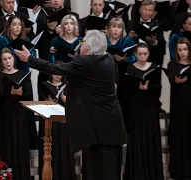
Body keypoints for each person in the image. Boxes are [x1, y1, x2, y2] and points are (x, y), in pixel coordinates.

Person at [15, 29, 128, 180]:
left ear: (87, 47)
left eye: (82, 43)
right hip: (112, 126)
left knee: (97, 171)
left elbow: (55, 68)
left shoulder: (85, 62)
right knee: (111, 171)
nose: (80, 46)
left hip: (97, 128)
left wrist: (29, 59)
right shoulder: (108, 59)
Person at [122, 43, 164, 180]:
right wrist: (137, 87)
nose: (142, 56)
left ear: (149, 54)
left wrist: (149, 87)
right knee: (136, 140)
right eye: (140, 54)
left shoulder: (154, 68)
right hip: (136, 111)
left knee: (150, 139)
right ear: (135, 54)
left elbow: (158, 88)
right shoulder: (130, 68)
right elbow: (126, 92)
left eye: (145, 54)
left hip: (150, 109)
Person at [0, 48, 32, 180]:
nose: (8, 61)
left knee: (21, 146)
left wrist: (21, 94)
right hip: (5, 116)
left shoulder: (22, 74)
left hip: (20, 115)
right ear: (1, 61)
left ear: (14, 59)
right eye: (4, 59)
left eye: (9, 58)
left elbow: (28, 95)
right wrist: (10, 93)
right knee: (7, 146)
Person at [38, 65, 77, 180]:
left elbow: (76, 104)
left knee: (64, 149)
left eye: (60, 73)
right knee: (50, 150)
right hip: (50, 123)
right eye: (55, 72)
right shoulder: (44, 85)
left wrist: (66, 100)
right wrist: (47, 102)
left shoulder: (69, 86)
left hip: (64, 123)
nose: (57, 75)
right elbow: (41, 102)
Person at [167, 37, 191, 180]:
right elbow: (171, 81)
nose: (183, 53)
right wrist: (175, 81)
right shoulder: (173, 66)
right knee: (178, 138)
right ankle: (177, 171)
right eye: (180, 50)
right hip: (178, 107)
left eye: (185, 49)